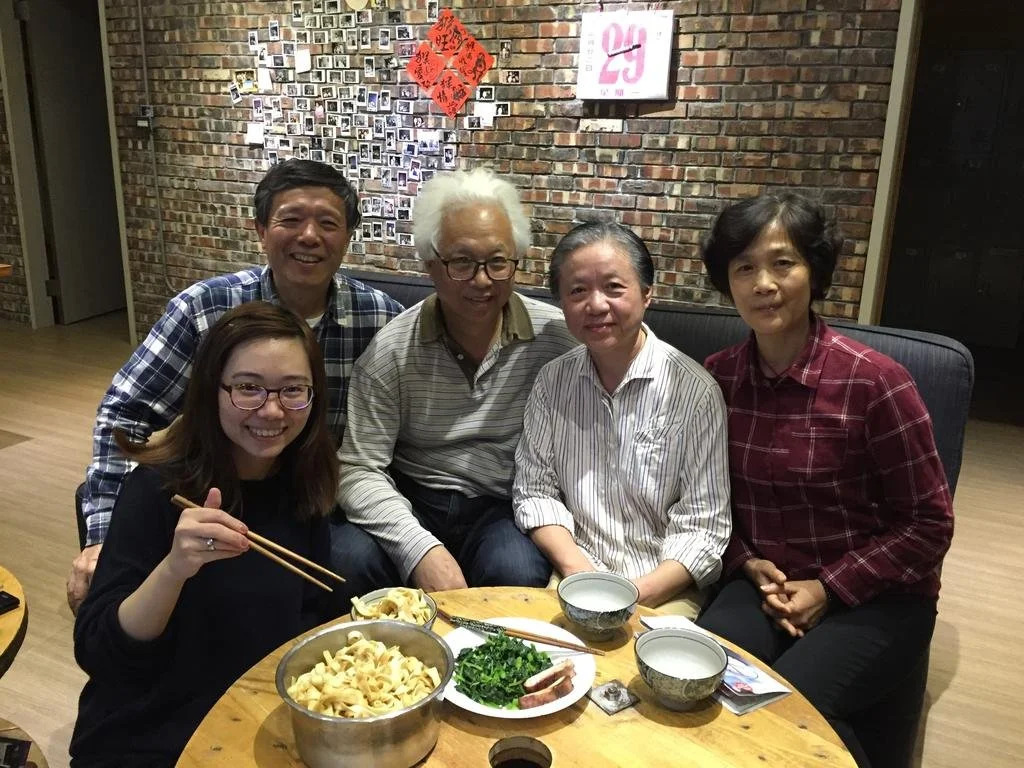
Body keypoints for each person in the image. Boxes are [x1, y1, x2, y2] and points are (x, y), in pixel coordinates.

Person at [68, 159, 404, 613]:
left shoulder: (381, 319)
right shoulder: (204, 309)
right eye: (290, 219)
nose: (309, 236)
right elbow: (126, 414)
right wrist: (102, 537)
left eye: (328, 223)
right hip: (223, 493)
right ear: (261, 230)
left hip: (320, 500)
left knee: (353, 559)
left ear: (347, 237)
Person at [695, 193, 954, 766]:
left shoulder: (876, 383)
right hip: (764, 585)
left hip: (880, 598)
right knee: (697, 681)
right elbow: (706, 500)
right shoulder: (718, 378)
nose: (764, 283)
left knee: (790, 714)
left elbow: (929, 524)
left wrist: (829, 588)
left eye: (783, 263)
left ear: (814, 270)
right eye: (744, 267)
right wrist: (744, 561)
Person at [71, 302, 339, 766]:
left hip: (254, 719)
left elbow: (314, 614)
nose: (272, 410)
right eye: (248, 388)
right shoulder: (158, 490)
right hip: (151, 733)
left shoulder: (303, 480)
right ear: (211, 390)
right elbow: (99, 652)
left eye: (293, 389)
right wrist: (174, 569)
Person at [332, 167, 578, 597]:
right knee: (347, 560)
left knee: (515, 570)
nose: (482, 280)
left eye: (497, 262)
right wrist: (419, 548)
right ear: (431, 265)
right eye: (462, 262)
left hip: (503, 504)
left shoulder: (557, 338)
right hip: (412, 497)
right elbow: (358, 467)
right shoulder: (392, 349)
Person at [513, 222, 731, 616]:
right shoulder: (552, 382)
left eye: (614, 287)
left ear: (647, 293)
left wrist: (632, 594)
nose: (596, 305)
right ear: (562, 303)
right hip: (575, 572)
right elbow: (535, 491)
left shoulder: (696, 392)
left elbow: (704, 526)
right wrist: (579, 574)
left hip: (664, 589)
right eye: (578, 291)